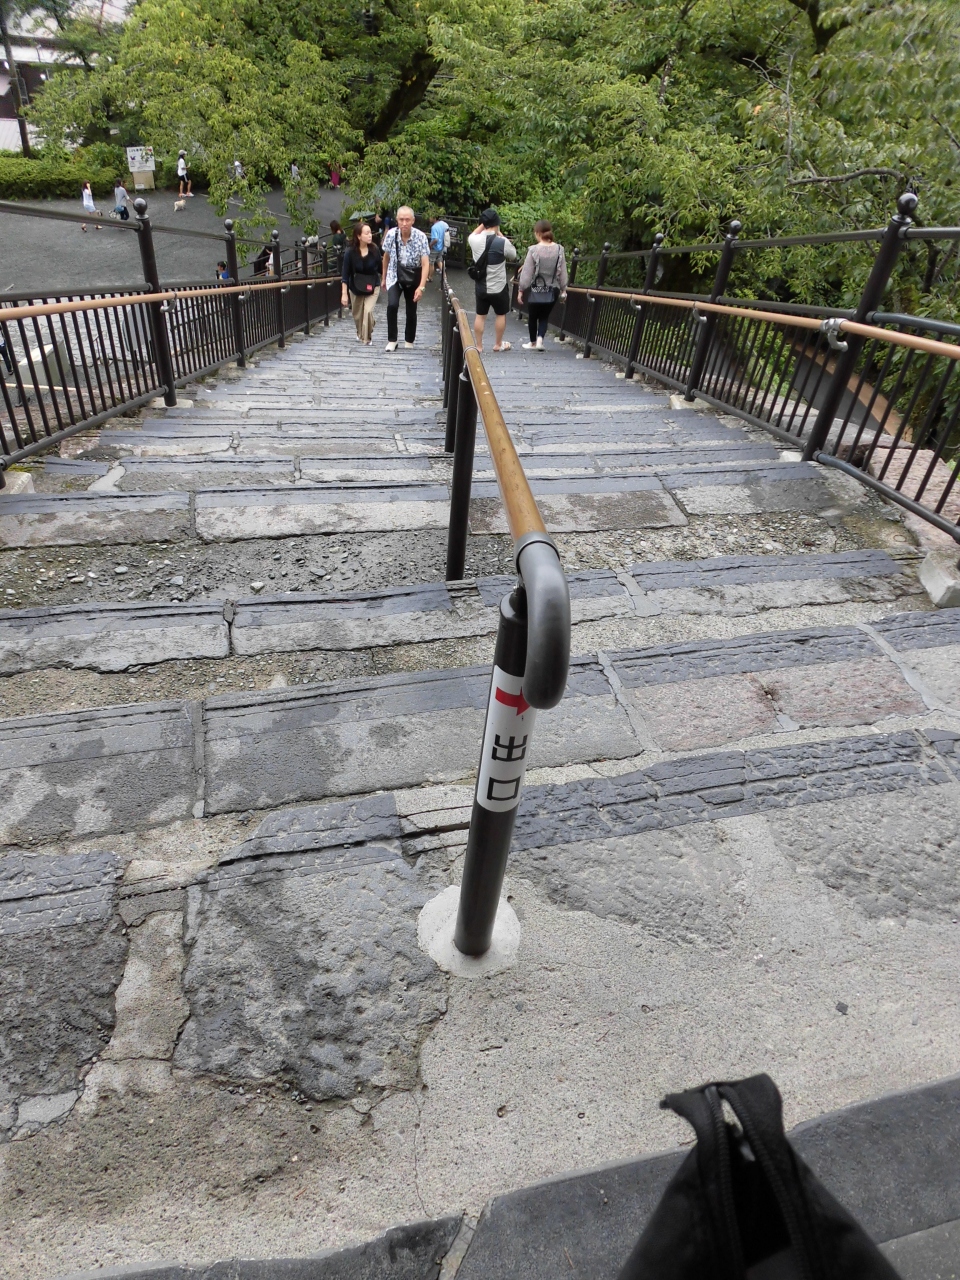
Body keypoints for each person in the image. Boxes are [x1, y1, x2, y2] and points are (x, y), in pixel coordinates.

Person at [381, 205, 430, 351]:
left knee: (411, 309)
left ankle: (409, 340)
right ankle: (392, 339)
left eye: (407, 220)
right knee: (392, 305)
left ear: (413, 220)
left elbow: (425, 263)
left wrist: (421, 286)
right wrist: (383, 277)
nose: (404, 223)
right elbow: (386, 257)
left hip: (413, 275)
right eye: (401, 219)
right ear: (397, 220)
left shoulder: (420, 237)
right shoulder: (391, 234)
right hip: (394, 274)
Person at [468, 207, 517, 353]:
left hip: (481, 286)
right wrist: (500, 234)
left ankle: (479, 346)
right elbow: (513, 255)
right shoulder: (502, 242)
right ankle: (498, 344)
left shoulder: (474, 240)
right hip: (499, 287)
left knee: (480, 316)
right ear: (497, 223)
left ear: (483, 223)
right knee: (500, 315)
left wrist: (483, 224)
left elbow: (474, 233)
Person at [516, 220, 569, 351]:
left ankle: (533, 343)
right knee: (544, 316)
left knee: (533, 317)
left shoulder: (533, 250)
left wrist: (521, 290)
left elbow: (527, 272)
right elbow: (563, 271)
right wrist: (563, 289)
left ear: (538, 233)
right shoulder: (559, 249)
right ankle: (540, 340)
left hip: (536, 289)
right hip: (553, 289)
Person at [341, 221, 383, 345]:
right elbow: (345, 274)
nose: (370, 235)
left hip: (372, 284)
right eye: (366, 233)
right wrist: (344, 293)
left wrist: (385, 279)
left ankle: (367, 338)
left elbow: (381, 268)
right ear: (359, 236)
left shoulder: (375, 250)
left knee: (368, 311)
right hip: (356, 286)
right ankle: (362, 331)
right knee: (358, 315)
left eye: (370, 233)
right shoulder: (350, 252)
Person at [428, 213, 449, 281]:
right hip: (442, 246)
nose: (429, 218)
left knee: (431, 262)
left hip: (435, 247)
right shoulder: (444, 224)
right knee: (439, 261)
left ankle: (430, 277)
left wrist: (430, 245)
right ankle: (444, 276)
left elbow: (435, 239)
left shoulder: (434, 227)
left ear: (434, 218)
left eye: (430, 217)